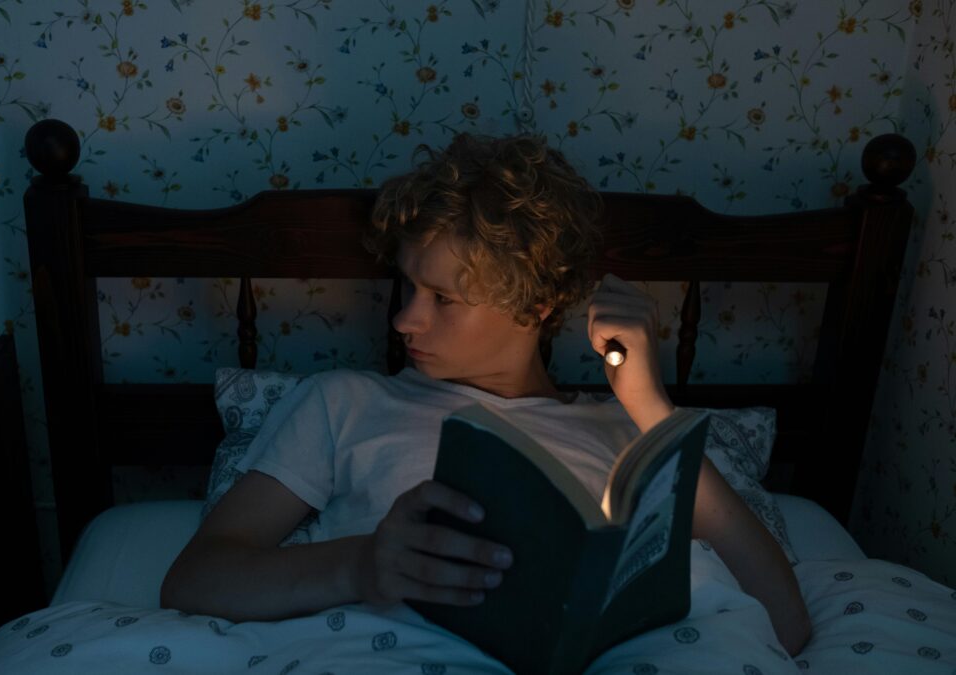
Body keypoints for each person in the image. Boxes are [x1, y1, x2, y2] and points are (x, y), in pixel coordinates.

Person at [160, 133, 812, 657]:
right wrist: (359, 565)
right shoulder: (344, 402)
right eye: (408, 286)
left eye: (442, 299)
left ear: (538, 304)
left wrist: (651, 408)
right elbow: (195, 579)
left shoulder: (631, 431)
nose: (404, 319)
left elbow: (786, 624)